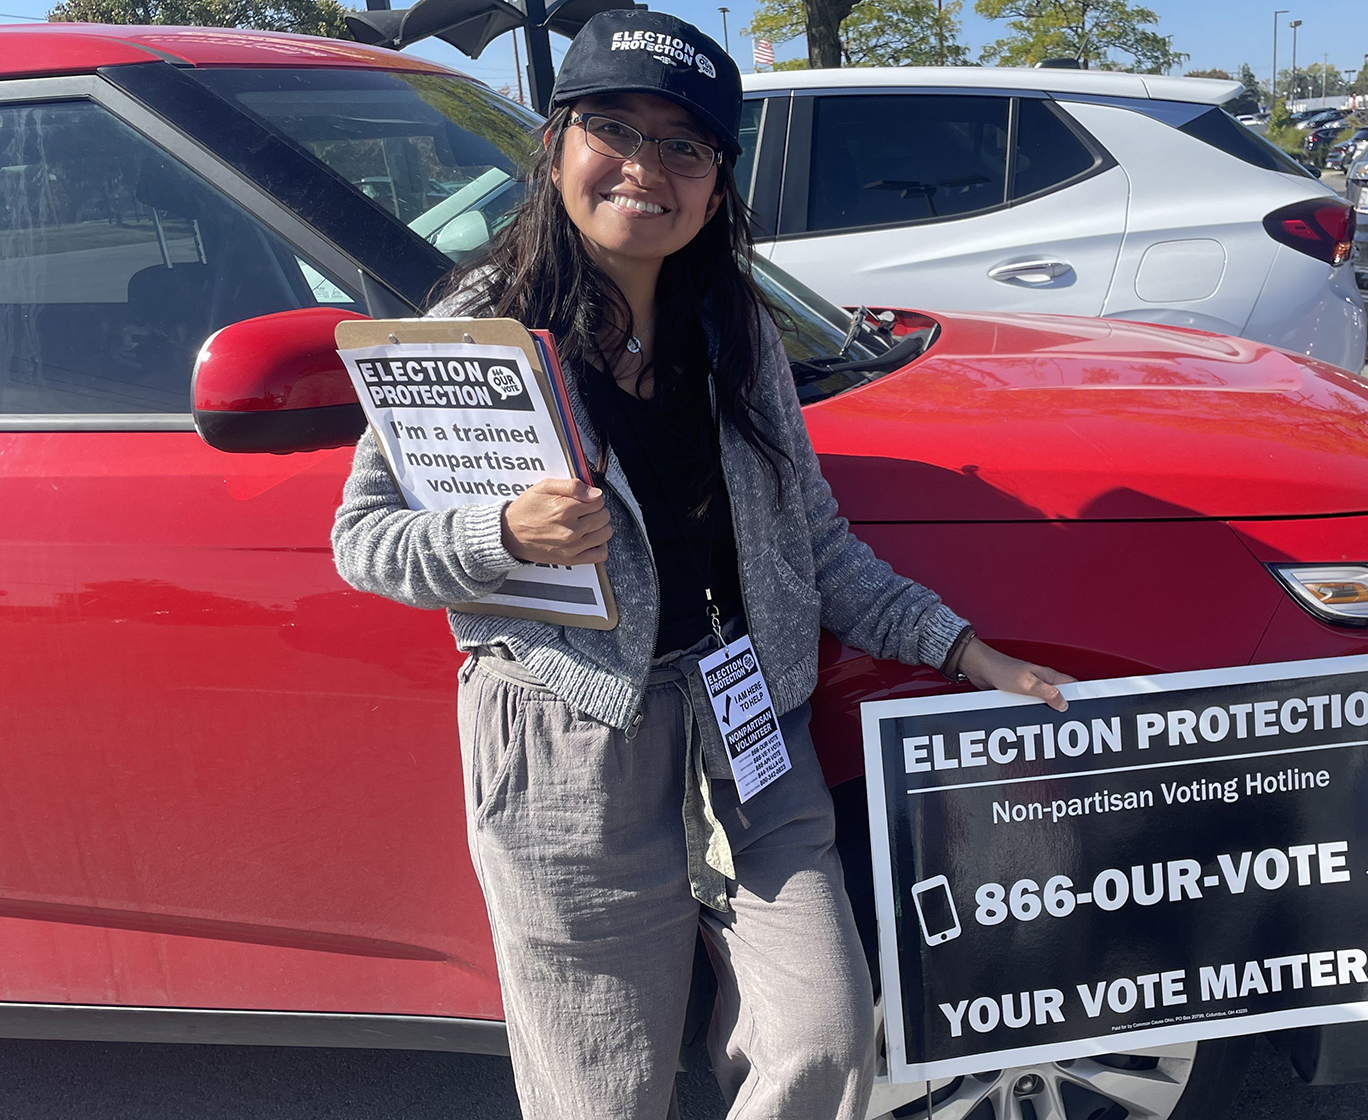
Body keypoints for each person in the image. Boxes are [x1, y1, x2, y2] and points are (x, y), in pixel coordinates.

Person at [330, 10, 1072, 1119]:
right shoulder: (476, 331)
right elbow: (364, 541)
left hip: (749, 725)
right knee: (601, 1091)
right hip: (570, 745)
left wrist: (968, 652)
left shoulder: (736, 326)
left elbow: (817, 545)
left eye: (686, 147)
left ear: (719, 181)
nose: (646, 168)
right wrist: (501, 536)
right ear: (556, 144)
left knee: (823, 1040)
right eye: (614, 130)